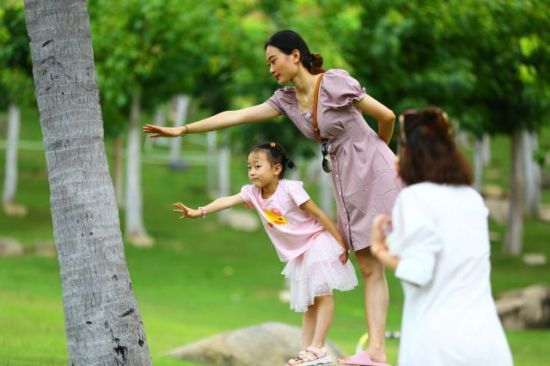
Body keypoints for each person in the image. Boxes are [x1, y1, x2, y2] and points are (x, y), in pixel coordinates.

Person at [144, 29, 400, 365]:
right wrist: (185, 129)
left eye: (273, 60)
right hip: (345, 177)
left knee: (400, 251)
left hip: (373, 168)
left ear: (295, 55)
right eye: (268, 63)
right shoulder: (287, 101)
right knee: (368, 265)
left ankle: (387, 347)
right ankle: (377, 353)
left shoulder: (335, 83)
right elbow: (236, 116)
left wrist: (377, 152)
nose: (270, 68)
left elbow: (387, 116)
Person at [173, 142, 358, 365]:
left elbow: (319, 215)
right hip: (299, 253)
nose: (252, 172)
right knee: (309, 302)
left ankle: (318, 347)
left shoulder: (290, 189)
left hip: (316, 243)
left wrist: (341, 243)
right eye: (249, 167)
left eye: (257, 166)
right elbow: (228, 201)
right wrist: (200, 211)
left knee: (322, 295)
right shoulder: (253, 193)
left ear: (276, 169)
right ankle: (306, 351)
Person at [370, 108, 514, 366]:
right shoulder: (471, 199)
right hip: (488, 344)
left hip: (438, 345)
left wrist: (379, 250)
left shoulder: (415, 198)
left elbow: (418, 272)